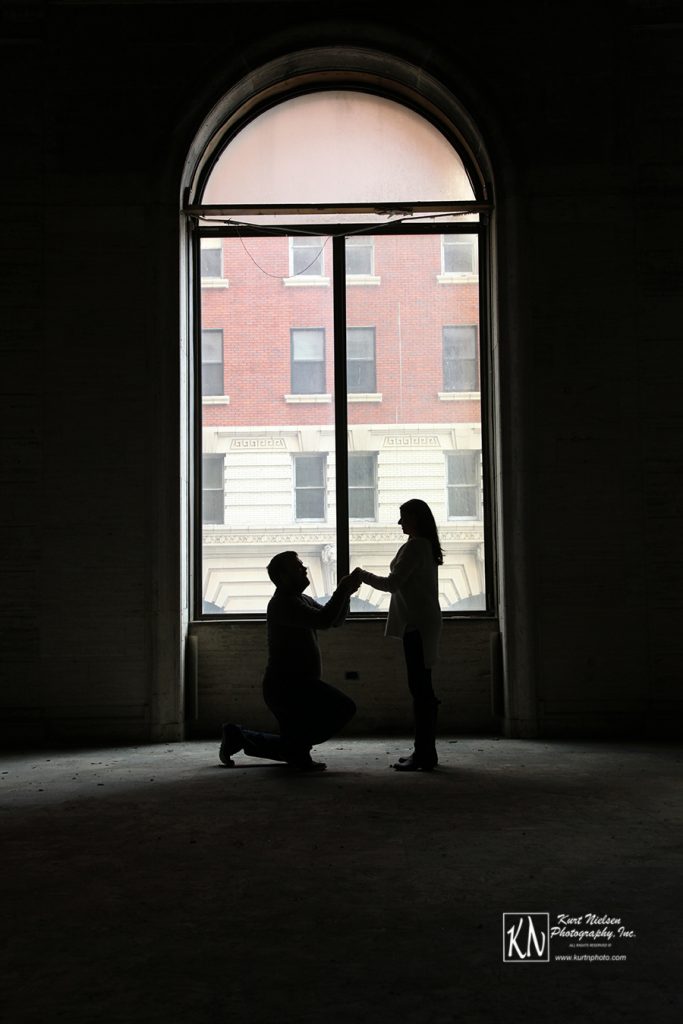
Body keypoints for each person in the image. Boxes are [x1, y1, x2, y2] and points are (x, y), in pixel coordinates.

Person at [219, 553, 362, 772]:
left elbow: (334, 620)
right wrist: (342, 590)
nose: (305, 569)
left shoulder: (299, 599)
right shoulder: (282, 603)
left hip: (296, 686)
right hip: (287, 688)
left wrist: (347, 594)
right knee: (342, 709)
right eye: (298, 567)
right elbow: (323, 620)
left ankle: (240, 736)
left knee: (297, 746)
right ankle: (260, 741)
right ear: (284, 577)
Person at [356, 499, 443, 771]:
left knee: (420, 691)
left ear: (415, 518)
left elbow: (392, 584)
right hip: (421, 623)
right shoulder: (425, 546)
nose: (399, 522)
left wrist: (361, 575)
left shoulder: (416, 546)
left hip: (415, 626)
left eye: (403, 517)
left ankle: (424, 754)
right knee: (422, 689)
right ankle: (425, 752)